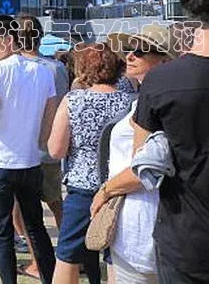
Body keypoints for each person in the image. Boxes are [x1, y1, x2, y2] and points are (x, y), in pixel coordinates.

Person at [100, 0, 209, 284]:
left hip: (184, 233)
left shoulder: (163, 80)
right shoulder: (162, 78)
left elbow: (142, 162)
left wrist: (106, 190)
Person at [0, 14, 58, 284]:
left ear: (8, 40)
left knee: (2, 231)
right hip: (30, 160)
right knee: (36, 226)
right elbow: (48, 124)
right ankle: (49, 278)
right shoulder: (44, 71)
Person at [97, 24, 177, 283]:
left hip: (150, 221)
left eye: (141, 51)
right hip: (132, 220)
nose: (130, 55)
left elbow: (146, 168)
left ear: (163, 60)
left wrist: (106, 190)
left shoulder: (164, 102)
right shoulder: (139, 100)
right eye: (131, 49)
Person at [47, 43, 131, 284]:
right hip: (117, 187)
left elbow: (56, 149)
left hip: (82, 187)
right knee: (115, 258)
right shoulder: (129, 102)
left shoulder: (74, 101)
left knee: (67, 257)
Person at [13, 15, 70, 279]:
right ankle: (71, 257)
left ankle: (39, 261)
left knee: (23, 211)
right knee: (56, 203)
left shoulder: (13, 68)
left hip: (22, 150)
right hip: (50, 147)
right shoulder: (56, 68)